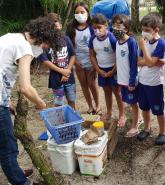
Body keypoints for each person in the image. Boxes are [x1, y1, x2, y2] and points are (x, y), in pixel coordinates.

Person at [0, 17, 63, 185]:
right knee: (8, 147)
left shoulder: (10, 37)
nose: (43, 50)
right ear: (42, 38)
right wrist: (40, 103)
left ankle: (15, 170)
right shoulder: (24, 48)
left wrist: (7, 103)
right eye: (46, 46)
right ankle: (21, 182)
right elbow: (26, 88)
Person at [137, 13, 165, 145]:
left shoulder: (161, 43)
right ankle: (147, 128)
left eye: (147, 30)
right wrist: (149, 61)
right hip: (142, 81)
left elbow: (150, 63)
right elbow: (139, 61)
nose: (144, 33)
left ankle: (162, 132)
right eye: (143, 29)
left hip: (155, 83)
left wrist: (145, 51)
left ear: (156, 29)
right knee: (144, 107)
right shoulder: (145, 41)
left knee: (158, 109)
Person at [89, 13, 125, 124]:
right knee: (106, 90)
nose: (97, 30)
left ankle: (122, 114)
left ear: (106, 25)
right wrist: (98, 70)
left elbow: (119, 55)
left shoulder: (112, 38)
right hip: (101, 69)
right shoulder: (92, 39)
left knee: (117, 91)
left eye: (99, 27)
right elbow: (92, 55)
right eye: (94, 28)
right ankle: (109, 112)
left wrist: (113, 70)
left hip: (114, 69)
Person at [66, 2, 101, 114]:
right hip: (78, 61)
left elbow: (97, 44)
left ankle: (98, 105)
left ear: (87, 13)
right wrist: (75, 62)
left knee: (92, 84)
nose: (80, 14)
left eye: (82, 12)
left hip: (91, 61)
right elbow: (69, 46)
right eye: (77, 12)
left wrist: (95, 62)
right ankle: (90, 106)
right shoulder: (71, 29)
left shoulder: (92, 27)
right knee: (84, 84)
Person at [39, 13, 76, 109]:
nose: (54, 29)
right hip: (56, 78)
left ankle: (72, 121)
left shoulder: (66, 39)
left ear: (61, 25)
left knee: (71, 100)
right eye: (51, 27)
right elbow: (45, 61)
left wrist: (66, 72)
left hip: (69, 77)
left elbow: (72, 55)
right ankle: (59, 122)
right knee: (59, 102)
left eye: (56, 26)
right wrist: (62, 71)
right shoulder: (46, 43)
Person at [112, 14, 140, 136]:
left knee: (133, 103)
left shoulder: (131, 42)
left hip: (130, 80)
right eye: (114, 25)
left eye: (119, 25)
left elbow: (134, 63)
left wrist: (132, 81)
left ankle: (135, 125)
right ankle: (137, 118)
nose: (115, 28)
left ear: (126, 28)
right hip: (122, 79)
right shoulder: (118, 42)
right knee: (129, 101)